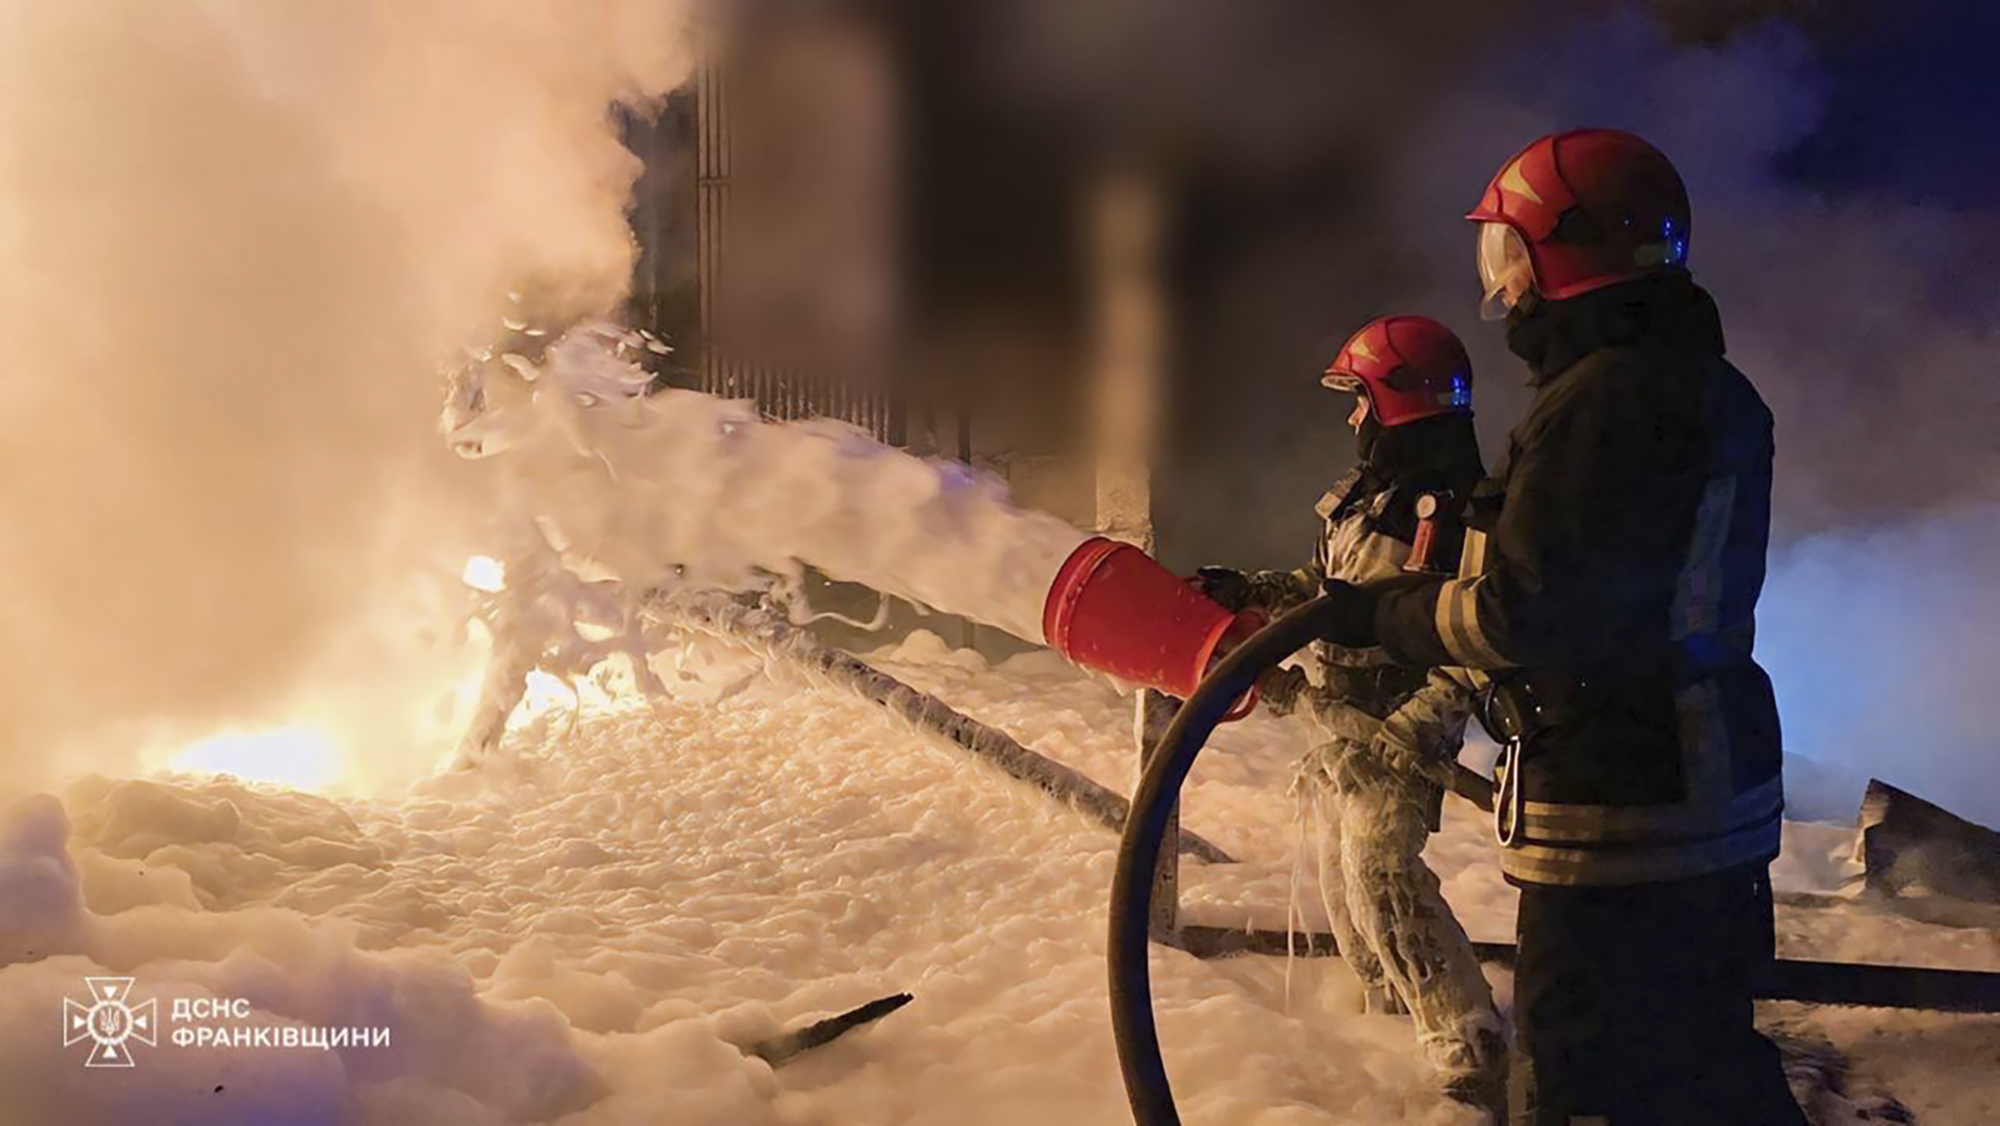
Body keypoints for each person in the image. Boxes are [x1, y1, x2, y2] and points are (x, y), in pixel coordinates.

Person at [1315, 129, 1806, 1124]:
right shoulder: (1703, 385)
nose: (1504, 285)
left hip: (1625, 802)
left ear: (1571, 249)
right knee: (1704, 1058)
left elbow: (1524, 612)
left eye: (1513, 252)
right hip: (1703, 784)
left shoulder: (1600, 403)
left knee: (1586, 1074)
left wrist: (1384, 615)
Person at [1198, 315, 1507, 1111]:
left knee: (1382, 871)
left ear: (1398, 403)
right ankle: (1386, 1013)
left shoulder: (1464, 516)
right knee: (1344, 884)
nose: (1351, 418)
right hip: (1340, 721)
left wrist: (1410, 731)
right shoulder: (1365, 497)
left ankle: (1468, 1038)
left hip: (1401, 724)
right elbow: (1325, 587)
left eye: (1359, 399)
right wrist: (1255, 590)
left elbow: (1476, 646)